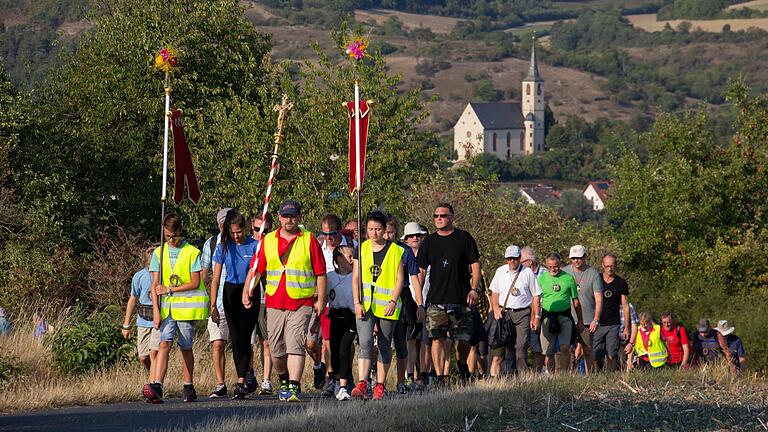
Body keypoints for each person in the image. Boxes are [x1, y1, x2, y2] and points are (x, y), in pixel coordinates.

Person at [243, 199, 326, 403]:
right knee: (277, 350)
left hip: (301, 302)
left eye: (293, 215)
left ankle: (294, 387)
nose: (289, 219)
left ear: (299, 216)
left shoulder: (309, 240)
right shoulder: (268, 241)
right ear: (279, 217)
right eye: (285, 216)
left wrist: (321, 300)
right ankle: (283, 379)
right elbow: (257, 269)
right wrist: (247, 291)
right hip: (274, 303)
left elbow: (321, 274)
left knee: (295, 345)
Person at [143, 213, 209, 404]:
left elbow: (195, 281)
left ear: (180, 231)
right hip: (167, 310)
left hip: (186, 309)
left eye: (174, 236)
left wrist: (170, 289)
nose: (171, 239)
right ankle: (157, 385)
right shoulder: (158, 253)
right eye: (167, 235)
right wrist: (155, 310)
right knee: (164, 344)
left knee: (185, 347)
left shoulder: (191, 252)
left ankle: (188, 385)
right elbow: (154, 285)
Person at [417, 203, 481, 387]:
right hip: (436, 300)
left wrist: (474, 289)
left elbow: (475, 265)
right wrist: (419, 301)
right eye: (436, 215)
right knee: (437, 338)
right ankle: (440, 378)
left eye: (443, 215)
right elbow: (421, 270)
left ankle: (461, 364)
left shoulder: (464, 238)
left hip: (461, 298)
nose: (439, 218)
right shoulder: (428, 242)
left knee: (463, 340)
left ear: (452, 216)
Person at [350, 211, 406, 400]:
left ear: (385, 230)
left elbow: (400, 279)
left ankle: (380, 384)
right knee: (364, 342)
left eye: (378, 229)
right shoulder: (361, 249)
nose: (374, 233)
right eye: (370, 229)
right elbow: (356, 278)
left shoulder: (396, 250)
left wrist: (392, 300)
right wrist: (357, 302)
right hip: (365, 304)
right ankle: (362, 382)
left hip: (387, 305)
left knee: (384, 344)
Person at [211, 210, 258, 399]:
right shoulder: (223, 247)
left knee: (245, 337)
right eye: (233, 233)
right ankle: (242, 377)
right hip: (230, 292)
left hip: (250, 292)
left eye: (239, 232)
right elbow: (215, 279)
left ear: (244, 229)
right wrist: (213, 306)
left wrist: (250, 291)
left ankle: (241, 381)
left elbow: (259, 272)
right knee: (236, 338)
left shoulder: (255, 245)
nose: (236, 236)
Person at [384, 215, 424, 393]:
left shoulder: (405, 251)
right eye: (383, 232)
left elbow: (414, 279)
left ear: (396, 232)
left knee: (402, 341)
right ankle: (377, 382)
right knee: (380, 344)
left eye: (390, 232)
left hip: (403, 298)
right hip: (379, 298)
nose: (386, 236)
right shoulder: (371, 250)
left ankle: (402, 381)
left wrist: (420, 304)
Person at [488, 245, 540, 376]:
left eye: (515, 258)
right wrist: (495, 308)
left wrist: (536, 316)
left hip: (523, 313)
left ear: (519, 258)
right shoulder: (500, 271)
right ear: (506, 259)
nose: (512, 261)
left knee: (521, 346)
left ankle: (523, 376)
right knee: (506, 346)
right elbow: (494, 291)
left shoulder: (527, 272)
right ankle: (509, 375)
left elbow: (536, 295)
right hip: (505, 313)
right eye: (509, 258)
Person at [202, 208, 233, 398]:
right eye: (223, 223)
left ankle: (244, 378)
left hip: (239, 301)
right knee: (217, 343)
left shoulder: (242, 242)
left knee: (242, 344)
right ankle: (220, 383)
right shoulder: (211, 244)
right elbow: (205, 274)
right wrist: (210, 303)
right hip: (219, 301)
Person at [538, 252, 583, 373]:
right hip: (547, 317)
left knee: (564, 347)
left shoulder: (568, 278)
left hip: (565, 316)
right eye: (551, 267)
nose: (554, 269)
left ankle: (563, 375)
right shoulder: (541, 279)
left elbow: (576, 301)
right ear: (547, 265)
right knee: (548, 351)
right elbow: (535, 300)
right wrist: (535, 317)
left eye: (556, 266)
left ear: (560, 264)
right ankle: (551, 375)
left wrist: (580, 320)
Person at [562, 245, 603, 373]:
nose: (576, 261)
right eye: (573, 258)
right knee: (566, 348)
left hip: (587, 318)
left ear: (584, 257)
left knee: (587, 349)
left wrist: (596, 319)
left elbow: (599, 299)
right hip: (568, 317)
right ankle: (566, 376)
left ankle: (590, 375)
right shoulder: (565, 272)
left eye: (579, 258)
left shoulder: (593, 273)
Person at [121, 247, 159, 382]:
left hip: (158, 318)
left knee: (154, 353)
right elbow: (133, 298)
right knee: (143, 356)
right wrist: (126, 325)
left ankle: (153, 384)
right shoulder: (139, 276)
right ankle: (155, 375)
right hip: (143, 318)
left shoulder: (164, 275)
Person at [326, 245, 356, 400]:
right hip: (335, 315)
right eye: (349, 257)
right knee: (335, 350)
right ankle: (337, 379)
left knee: (345, 349)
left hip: (351, 317)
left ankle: (344, 386)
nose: (352, 260)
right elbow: (324, 299)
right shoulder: (330, 277)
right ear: (339, 259)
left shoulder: (356, 277)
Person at [250, 214, 274, 395]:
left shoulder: (272, 245)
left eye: (265, 230)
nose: (261, 233)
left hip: (266, 300)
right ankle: (249, 376)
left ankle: (267, 380)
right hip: (250, 299)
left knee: (266, 342)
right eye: (257, 229)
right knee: (248, 343)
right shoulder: (248, 245)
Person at [594, 253, 629, 371]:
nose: (610, 268)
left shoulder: (621, 283)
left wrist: (626, 327)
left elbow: (625, 306)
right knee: (596, 355)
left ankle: (611, 377)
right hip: (597, 324)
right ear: (602, 265)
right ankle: (597, 375)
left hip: (613, 324)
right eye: (607, 265)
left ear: (616, 266)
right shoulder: (596, 279)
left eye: (612, 266)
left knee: (611, 354)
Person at [520, 246, 545, 372]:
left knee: (538, 346)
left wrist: (536, 315)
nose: (519, 263)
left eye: (521, 261)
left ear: (530, 262)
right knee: (522, 344)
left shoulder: (545, 273)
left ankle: (537, 373)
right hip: (525, 313)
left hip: (542, 313)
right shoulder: (520, 274)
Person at [619, 302, 639, 370]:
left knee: (628, 362)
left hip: (627, 338)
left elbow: (634, 324)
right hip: (614, 338)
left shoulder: (629, 306)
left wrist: (631, 343)